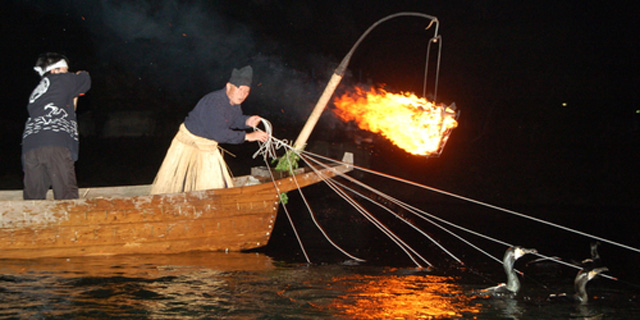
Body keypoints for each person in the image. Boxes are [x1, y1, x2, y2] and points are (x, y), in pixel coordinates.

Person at [150, 65, 269, 194]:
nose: (243, 95)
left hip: (207, 148)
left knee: (214, 187)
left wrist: (247, 121)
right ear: (229, 86)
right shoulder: (214, 102)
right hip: (189, 146)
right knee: (181, 187)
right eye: (240, 89)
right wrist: (248, 136)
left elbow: (234, 120)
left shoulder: (234, 103)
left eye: (247, 91)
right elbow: (220, 134)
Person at [21, 52, 91, 200]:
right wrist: (80, 73)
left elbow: (66, 105)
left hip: (30, 146)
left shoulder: (38, 92)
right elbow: (85, 80)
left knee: (33, 198)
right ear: (55, 70)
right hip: (55, 142)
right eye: (66, 70)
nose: (68, 73)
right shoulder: (61, 79)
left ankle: (33, 222)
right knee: (66, 195)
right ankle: (70, 221)